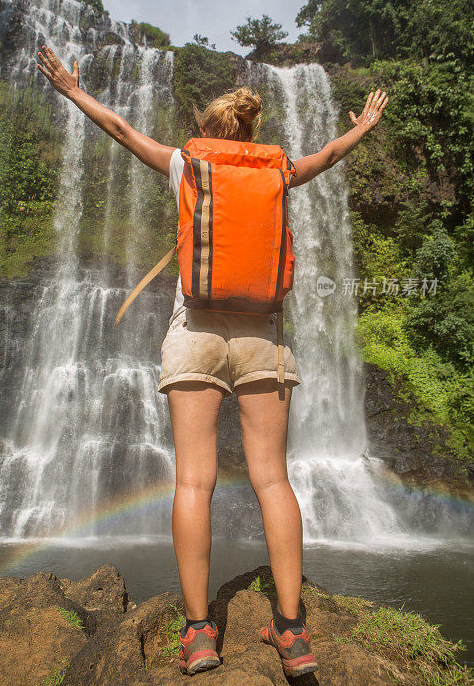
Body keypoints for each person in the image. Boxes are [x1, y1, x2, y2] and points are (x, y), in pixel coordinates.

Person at [37, 45, 388, 677]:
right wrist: (360, 127)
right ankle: (291, 631)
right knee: (273, 481)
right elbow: (328, 157)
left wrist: (72, 91)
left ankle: (200, 633)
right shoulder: (278, 172)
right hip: (263, 337)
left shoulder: (186, 165)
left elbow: (121, 130)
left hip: (194, 330)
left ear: (212, 130)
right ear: (253, 132)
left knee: (194, 482)